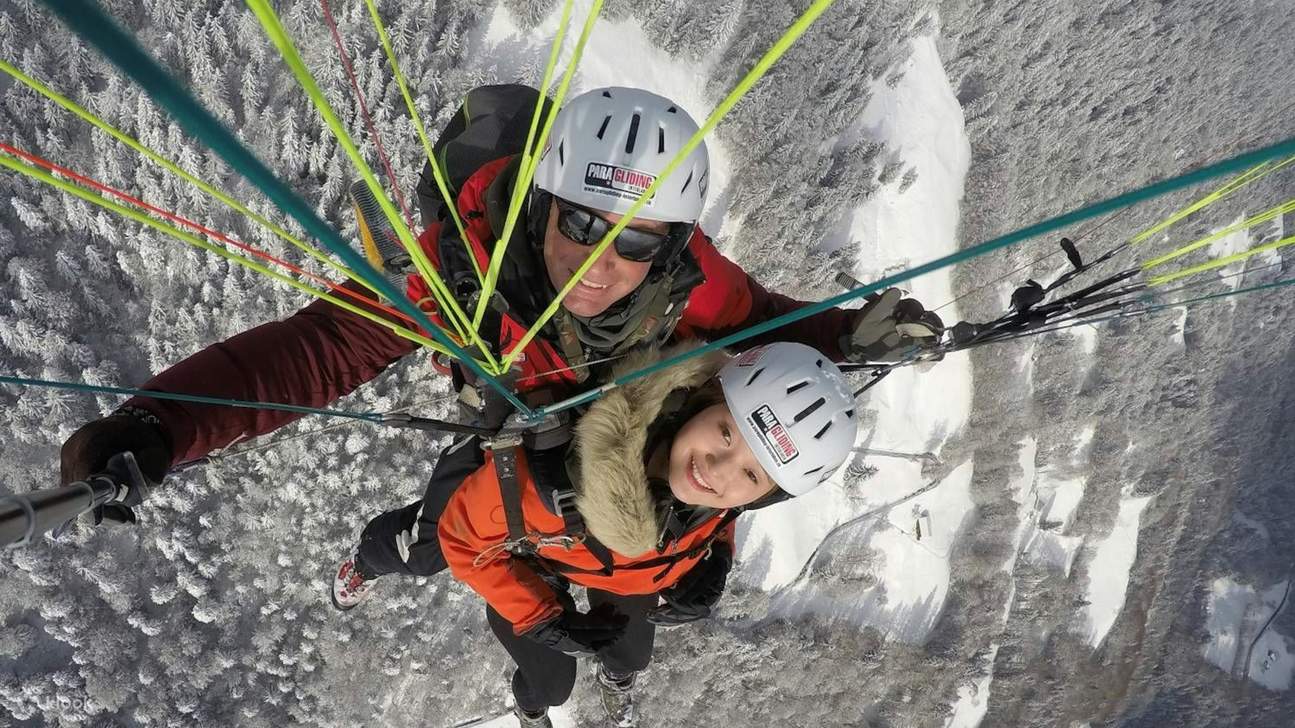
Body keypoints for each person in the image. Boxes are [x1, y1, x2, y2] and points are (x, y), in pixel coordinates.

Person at [58, 86, 936, 579]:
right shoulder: (451, 272)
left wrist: (850, 335)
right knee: (446, 532)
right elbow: (316, 350)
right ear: (542, 203)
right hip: (517, 422)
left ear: (669, 243)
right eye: (582, 223)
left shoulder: (693, 286)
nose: (602, 259)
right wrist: (158, 426)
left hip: (636, 435)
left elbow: (768, 328)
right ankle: (382, 558)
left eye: (635, 239)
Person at [432, 340, 858, 727]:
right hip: (544, 555)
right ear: (701, 401)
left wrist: (718, 559)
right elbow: (459, 540)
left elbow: (722, 513)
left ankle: (614, 679)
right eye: (726, 433)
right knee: (552, 683)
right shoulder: (540, 483)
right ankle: (532, 707)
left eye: (751, 473)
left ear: (763, 496)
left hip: (626, 572)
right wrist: (536, 615)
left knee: (633, 656)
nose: (716, 470)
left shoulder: (719, 499)